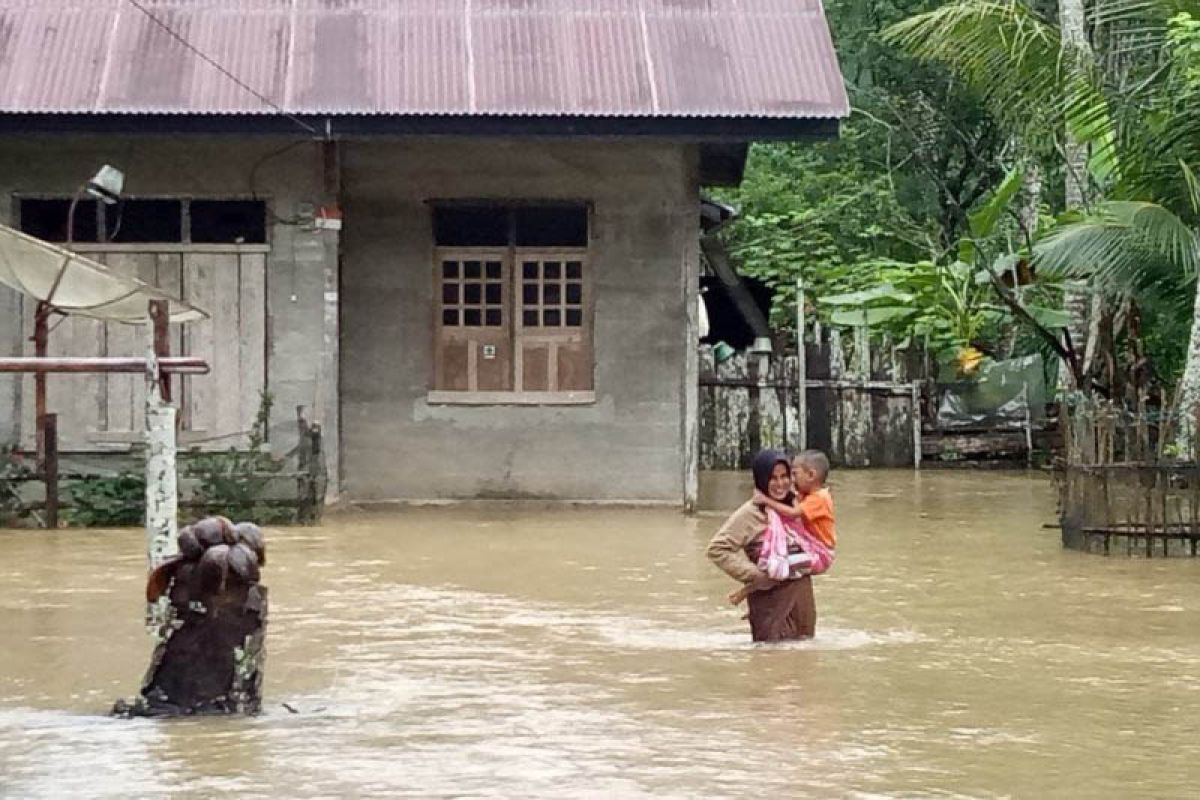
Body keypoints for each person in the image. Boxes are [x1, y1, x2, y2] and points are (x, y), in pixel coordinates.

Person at [706, 449, 817, 642]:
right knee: (771, 658)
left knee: (804, 658)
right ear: (761, 479)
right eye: (772, 478)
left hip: (801, 598)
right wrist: (755, 575)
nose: (780, 484)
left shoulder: (796, 507)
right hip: (770, 599)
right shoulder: (751, 513)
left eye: (784, 476)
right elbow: (717, 549)